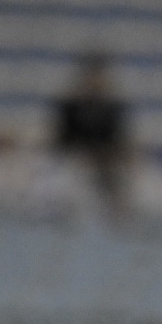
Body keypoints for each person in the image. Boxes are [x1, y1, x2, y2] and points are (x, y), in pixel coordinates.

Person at [53, 52, 131, 216]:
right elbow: (61, 140)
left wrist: (110, 157)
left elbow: (118, 141)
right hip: (76, 159)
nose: (95, 82)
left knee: (120, 174)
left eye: (98, 77)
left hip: (105, 162)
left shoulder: (112, 108)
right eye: (91, 77)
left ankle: (120, 214)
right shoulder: (71, 106)